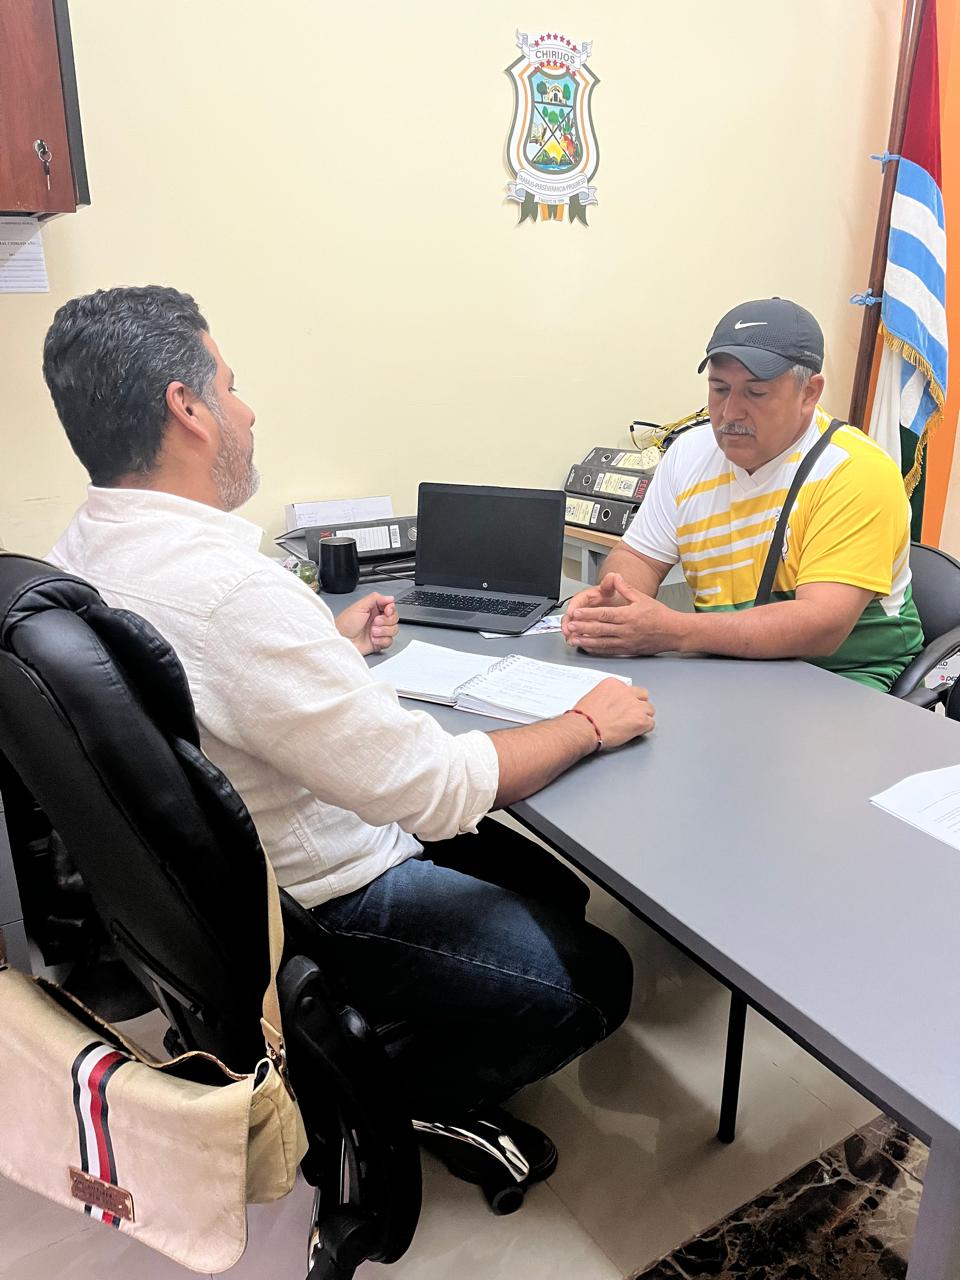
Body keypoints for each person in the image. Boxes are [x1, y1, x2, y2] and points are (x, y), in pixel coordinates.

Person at [42, 285, 655, 1185]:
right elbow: (436, 791)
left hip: (226, 891)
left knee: (553, 887)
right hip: (326, 902)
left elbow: (195, 685)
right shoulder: (232, 591)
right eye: (230, 386)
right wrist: (587, 722)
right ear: (187, 410)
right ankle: (379, 1102)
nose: (247, 410)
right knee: (598, 978)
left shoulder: (82, 552)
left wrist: (322, 649)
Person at [562, 298, 923, 691]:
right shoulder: (688, 454)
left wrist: (673, 631)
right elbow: (637, 558)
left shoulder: (855, 470)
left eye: (756, 393)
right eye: (720, 389)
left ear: (809, 393)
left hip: (842, 675)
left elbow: (822, 625)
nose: (730, 413)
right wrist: (616, 604)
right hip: (728, 665)